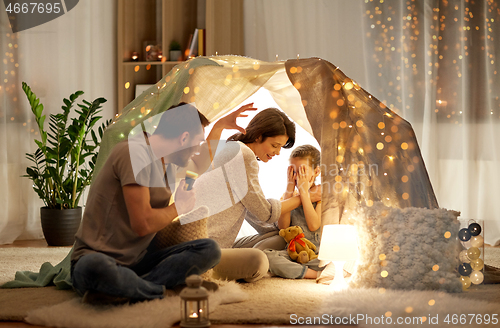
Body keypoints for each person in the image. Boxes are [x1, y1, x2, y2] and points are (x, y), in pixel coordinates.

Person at [71, 103, 221, 304]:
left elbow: (200, 163)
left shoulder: (168, 163)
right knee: (96, 268)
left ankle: (128, 289)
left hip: (138, 262)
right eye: (198, 142)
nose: (197, 149)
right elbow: (142, 224)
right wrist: (178, 208)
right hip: (95, 258)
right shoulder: (134, 153)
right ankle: (158, 291)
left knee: (209, 249)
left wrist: (220, 127)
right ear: (184, 138)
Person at [190, 105, 321, 282]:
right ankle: (206, 272)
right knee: (259, 261)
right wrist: (304, 196)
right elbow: (265, 213)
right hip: (202, 249)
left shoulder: (233, 149)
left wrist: (283, 228)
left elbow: (256, 213)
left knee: (276, 236)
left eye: (281, 147)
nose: (277, 152)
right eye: (275, 145)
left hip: (207, 244)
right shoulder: (243, 155)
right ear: (259, 136)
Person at [263, 145, 323, 279]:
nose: (297, 177)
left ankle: (311, 272)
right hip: (293, 253)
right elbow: (283, 227)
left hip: (315, 255)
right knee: (266, 256)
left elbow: (313, 226)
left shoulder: (320, 196)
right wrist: (290, 188)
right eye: (293, 171)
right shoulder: (290, 197)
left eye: (302, 171)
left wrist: (304, 193)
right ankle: (310, 274)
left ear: (316, 171)